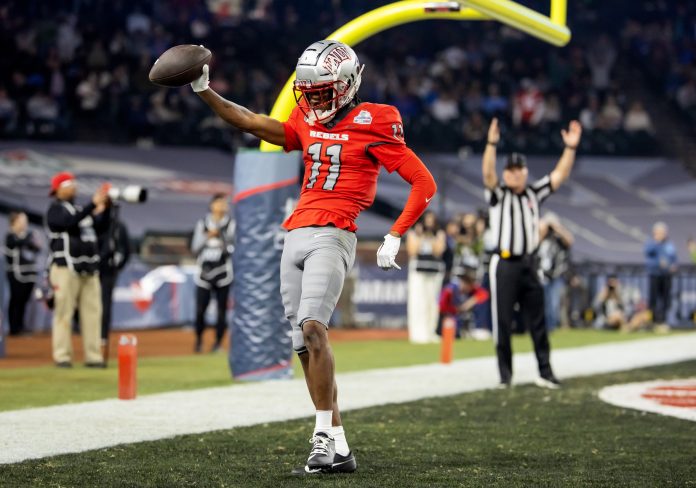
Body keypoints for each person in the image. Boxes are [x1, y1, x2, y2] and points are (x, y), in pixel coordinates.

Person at [191, 40, 436, 475]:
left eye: (323, 91)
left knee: (313, 327)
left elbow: (423, 183)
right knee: (302, 342)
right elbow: (249, 121)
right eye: (311, 92)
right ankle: (338, 446)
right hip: (295, 233)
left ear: (346, 85)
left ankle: (321, 434)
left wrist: (395, 235)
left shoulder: (376, 120)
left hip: (334, 234)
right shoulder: (304, 114)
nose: (314, 99)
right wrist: (204, 90)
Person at [482, 117, 582, 389]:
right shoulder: (499, 194)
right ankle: (506, 376)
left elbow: (558, 177)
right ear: (506, 173)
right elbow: (488, 175)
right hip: (504, 264)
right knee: (502, 322)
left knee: (539, 321)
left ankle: (545, 371)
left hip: (529, 263)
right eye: (510, 170)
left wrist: (570, 148)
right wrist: (491, 143)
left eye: (519, 170)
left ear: (526, 172)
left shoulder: (533, 193)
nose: (514, 174)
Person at [46, 171, 109, 368]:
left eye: (74, 184)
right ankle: (62, 356)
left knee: (92, 313)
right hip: (66, 268)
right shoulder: (55, 210)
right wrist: (92, 205)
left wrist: (105, 209)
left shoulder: (81, 209)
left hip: (88, 268)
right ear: (58, 190)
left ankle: (93, 356)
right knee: (63, 313)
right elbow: (68, 223)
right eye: (68, 185)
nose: (74, 188)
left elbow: (100, 228)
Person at [190, 193, 235, 353]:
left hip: (223, 273)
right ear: (212, 205)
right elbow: (194, 248)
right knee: (200, 309)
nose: (222, 206)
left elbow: (233, 249)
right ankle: (198, 340)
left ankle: (217, 343)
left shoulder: (230, 224)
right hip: (204, 273)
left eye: (225, 203)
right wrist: (207, 236)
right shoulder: (202, 223)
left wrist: (221, 237)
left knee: (222, 311)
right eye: (219, 203)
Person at [96, 198, 131, 364]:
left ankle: (103, 340)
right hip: (91, 271)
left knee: (105, 306)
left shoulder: (119, 227)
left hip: (109, 272)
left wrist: (118, 266)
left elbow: (127, 249)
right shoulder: (94, 224)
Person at [406, 211, 446, 344]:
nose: (429, 222)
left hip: (434, 271)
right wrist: (421, 236)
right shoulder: (413, 233)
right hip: (418, 271)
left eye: (432, 219)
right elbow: (412, 251)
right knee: (418, 301)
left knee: (432, 303)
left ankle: (431, 331)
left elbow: (438, 251)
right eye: (427, 219)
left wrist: (432, 237)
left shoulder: (439, 234)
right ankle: (418, 333)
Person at [3, 211, 40, 335]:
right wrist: (28, 238)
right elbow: (15, 244)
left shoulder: (27, 236)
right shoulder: (10, 236)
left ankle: (21, 325)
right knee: (16, 300)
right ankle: (14, 328)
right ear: (14, 222)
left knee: (24, 300)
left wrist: (33, 241)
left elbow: (36, 248)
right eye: (21, 221)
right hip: (16, 274)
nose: (24, 224)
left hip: (29, 273)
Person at [538, 213, 573, 331]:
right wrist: (543, 227)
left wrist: (557, 228)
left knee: (554, 302)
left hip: (557, 275)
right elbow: (535, 241)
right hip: (543, 275)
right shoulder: (543, 238)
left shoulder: (559, 239)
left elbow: (570, 241)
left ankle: (551, 326)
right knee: (543, 302)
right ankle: (545, 326)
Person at [437, 271, 490, 339]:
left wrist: (470, 302)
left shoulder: (470, 290)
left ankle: (478, 329)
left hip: (463, 315)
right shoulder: (450, 290)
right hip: (450, 317)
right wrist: (455, 309)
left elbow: (484, 294)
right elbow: (441, 306)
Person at [644, 222, 677, 331]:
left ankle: (663, 321)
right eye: (660, 232)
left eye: (664, 232)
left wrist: (673, 266)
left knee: (666, 299)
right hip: (654, 275)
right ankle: (652, 322)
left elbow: (674, 258)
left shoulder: (669, 244)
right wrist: (659, 263)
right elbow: (648, 258)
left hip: (666, 276)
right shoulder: (651, 243)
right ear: (655, 232)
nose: (662, 234)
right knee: (653, 299)